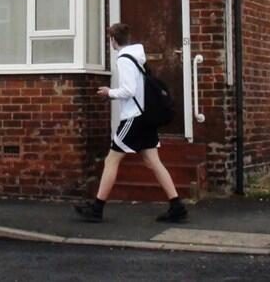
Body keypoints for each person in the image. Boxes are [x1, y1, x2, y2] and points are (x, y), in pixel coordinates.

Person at [74, 23, 188, 223]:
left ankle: (97, 208)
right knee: (153, 161)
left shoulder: (124, 59)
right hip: (146, 116)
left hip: (134, 117)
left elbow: (129, 90)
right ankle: (177, 205)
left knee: (111, 160)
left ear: (113, 40)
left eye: (109, 39)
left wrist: (109, 93)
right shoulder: (137, 57)